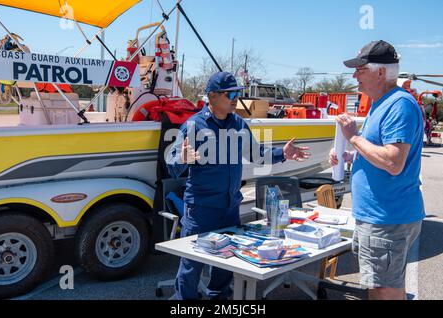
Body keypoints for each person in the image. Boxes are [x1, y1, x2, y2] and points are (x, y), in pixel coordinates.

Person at [166, 71, 311, 300]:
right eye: (230, 93)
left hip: (230, 207)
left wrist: (282, 154)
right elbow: (171, 164)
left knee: (226, 263)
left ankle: (218, 298)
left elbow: (257, 154)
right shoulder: (193, 126)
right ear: (212, 96)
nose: (235, 98)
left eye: (238, 93)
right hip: (202, 209)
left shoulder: (239, 124)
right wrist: (182, 159)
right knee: (192, 266)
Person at [329, 40, 425, 300]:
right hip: (380, 216)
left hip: (387, 218)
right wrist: (350, 155)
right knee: (381, 286)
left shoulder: (399, 105)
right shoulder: (382, 103)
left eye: (360, 69)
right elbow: (381, 152)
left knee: (385, 291)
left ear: (380, 72)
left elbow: (394, 163)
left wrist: (354, 138)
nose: (354, 75)